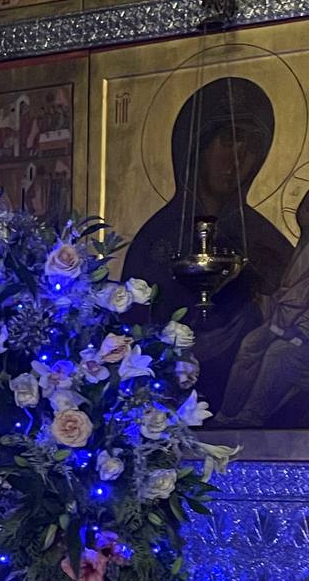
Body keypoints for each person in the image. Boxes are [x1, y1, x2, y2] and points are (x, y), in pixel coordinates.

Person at [121, 77, 293, 413]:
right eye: (228, 142)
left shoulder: (264, 238)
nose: (238, 160)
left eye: (251, 148)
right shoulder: (156, 238)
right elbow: (134, 328)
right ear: (196, 147)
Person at [216, 189, 309, 428]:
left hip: (302, 335)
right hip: (285, 324)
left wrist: (297, 331)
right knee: (250, 343)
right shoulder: (305, 249)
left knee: (279, 353)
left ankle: (251, 416)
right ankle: (227, 415)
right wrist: (262, 300)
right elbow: (288, 296)